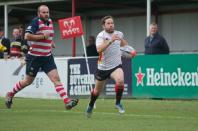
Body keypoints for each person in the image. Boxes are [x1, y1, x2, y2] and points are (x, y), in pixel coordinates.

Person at [5, 5, 78, 110]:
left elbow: (48, 35)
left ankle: (67, 101)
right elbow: (27, 36)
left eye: (47, 12)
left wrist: (50, 41)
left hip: (47, 57)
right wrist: (43, 37)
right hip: (34, 57)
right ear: (38, 14)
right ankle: (10, 94)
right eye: (43, 12)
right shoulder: (36, 22)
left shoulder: (50, 21)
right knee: (27, 81)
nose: (46, 14)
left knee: (56, 79)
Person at [86, 15, 128, 117]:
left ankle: (117, 103)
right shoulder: (101, 36)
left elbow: (124, 45)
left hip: (116, 65)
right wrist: (111, 40)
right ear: (103, 26)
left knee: (120, 81)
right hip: (103, 68)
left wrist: (122, 42)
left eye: (112, 23)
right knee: (96, 92)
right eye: (108, 23)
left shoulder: (119, 33)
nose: (111, 25)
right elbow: (99, 49)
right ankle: (91, 104)